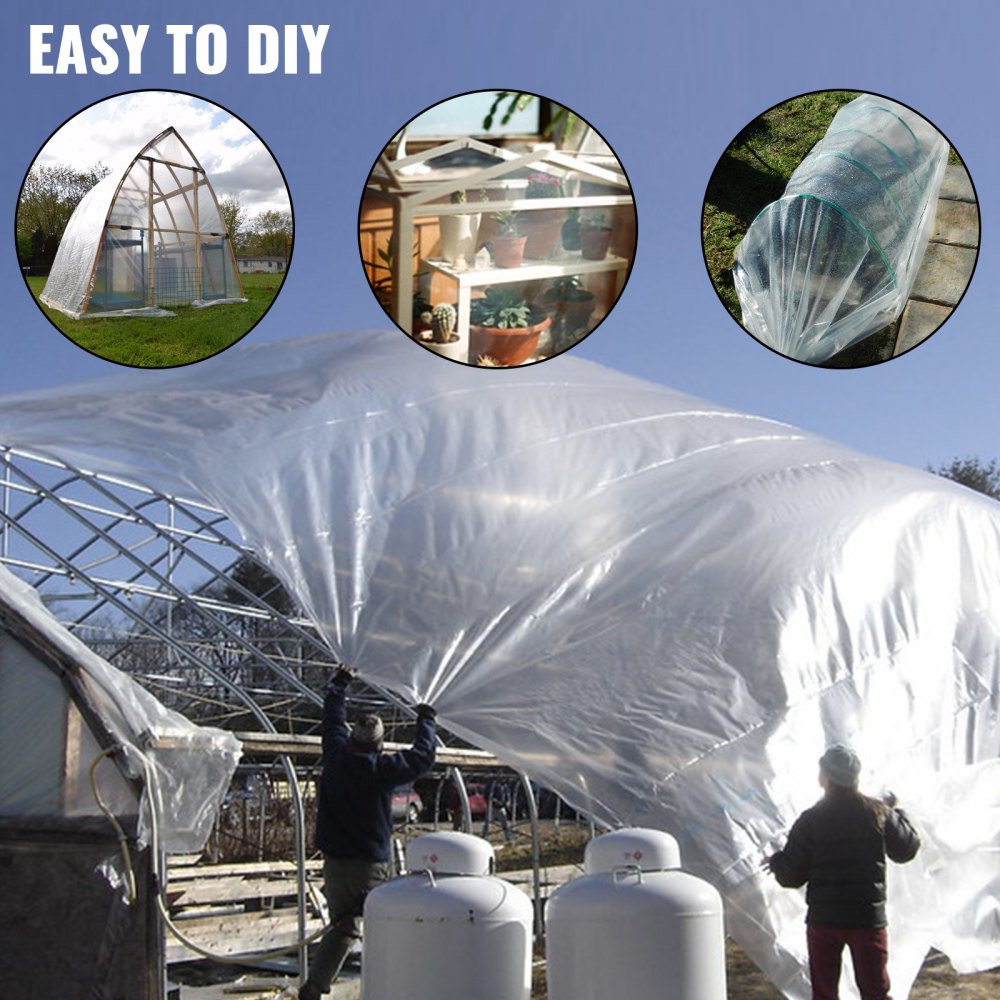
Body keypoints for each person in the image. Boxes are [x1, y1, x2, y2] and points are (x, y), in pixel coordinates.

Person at [298, 665, 437, 1000]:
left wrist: (339, 684)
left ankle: (315, 988)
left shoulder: (335, 757)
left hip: (334, 862)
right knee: (381, 925)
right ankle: (394, 986)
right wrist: (426, 718)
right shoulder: (381, 770)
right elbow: (423, 757)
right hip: (367, 865)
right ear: (379, 743)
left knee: (343, 926)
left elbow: (331, 721)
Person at [765, 744, 920, 1000]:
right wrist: (896, 812)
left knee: (824, 994)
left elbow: (791, 876)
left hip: (824, 921)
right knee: (875, 992)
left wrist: (776, 861)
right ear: (855, 778)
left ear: (823, 778)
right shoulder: (878, 813)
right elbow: (906, 850)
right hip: (867, 920)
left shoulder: (811, 819)